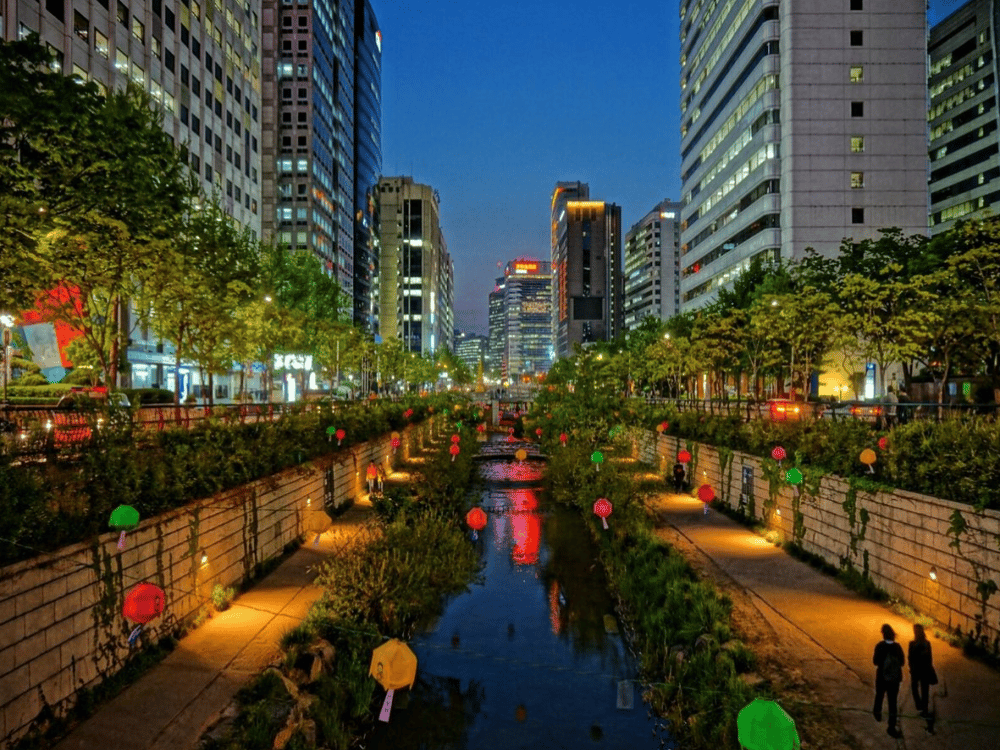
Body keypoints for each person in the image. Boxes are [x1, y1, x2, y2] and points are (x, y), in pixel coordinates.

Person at [873, 623, 906, 737]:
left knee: (879, 695)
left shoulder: (880, 646)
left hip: (882, 677)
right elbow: (902, 662)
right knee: (893, 702)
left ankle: (877, 713)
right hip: (894, 680)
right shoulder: (897, 647)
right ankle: (891, 725)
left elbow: (875, 662)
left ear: (883, 635)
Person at [908, 623, 936, 719]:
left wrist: (911, 667)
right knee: (924, 690)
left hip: (918, 670)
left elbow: (910, 657)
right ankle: (923, 708)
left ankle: (921, 706)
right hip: (923, 670)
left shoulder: (914, 644)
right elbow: (929, 658)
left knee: (916, 688)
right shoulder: (926, 644)